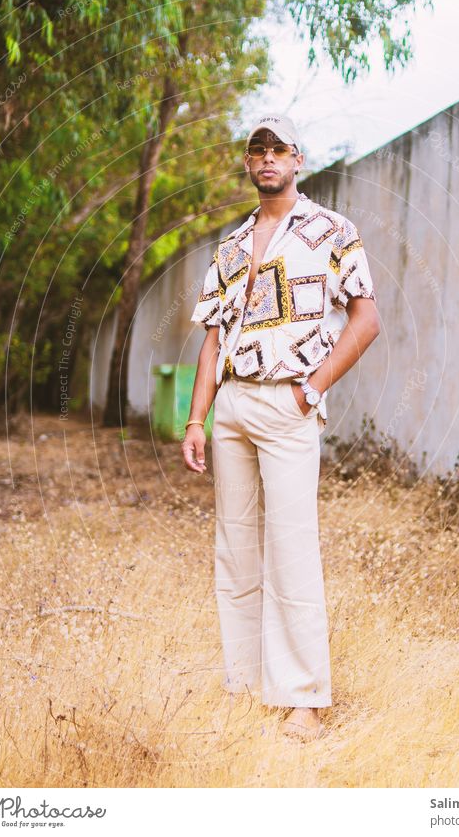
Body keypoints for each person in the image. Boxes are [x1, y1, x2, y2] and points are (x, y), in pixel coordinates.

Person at [182, 113, 380, 741]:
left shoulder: (330, 230)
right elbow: (213, 342)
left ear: (298, 159)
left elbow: (366, 320)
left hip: (289, 406)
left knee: (291, 546)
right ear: (249, 163)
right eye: (257, 149)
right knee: (236, 549)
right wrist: (197, 418)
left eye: (278, 149)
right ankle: (244, 684)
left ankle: (304, 700)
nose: (267, 158)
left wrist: (314, 387)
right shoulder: (232, 246)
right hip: (233, 408)